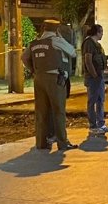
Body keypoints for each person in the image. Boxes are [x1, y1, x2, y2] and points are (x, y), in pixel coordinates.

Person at [22, 19, 77, 151]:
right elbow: (73, 52)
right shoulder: (56, 41)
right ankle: (62, 142)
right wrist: (61, 37)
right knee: (58, 111)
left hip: (39, 78)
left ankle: (41, 143)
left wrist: (34, 70)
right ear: (56, 30)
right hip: (55, 79)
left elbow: (24, 58)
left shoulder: (34, 43)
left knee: (41, 111)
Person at [82, 23, 108, 134]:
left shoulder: (96, 44)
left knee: (100, 100)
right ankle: (93, 126)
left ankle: (101, 124)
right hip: (93, 77)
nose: (102, 34)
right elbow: (88, 60)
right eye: (101, 32)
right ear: (97, 32)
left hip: (99, 76)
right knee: (92, 101)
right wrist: (94, 75)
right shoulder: (89, 43)